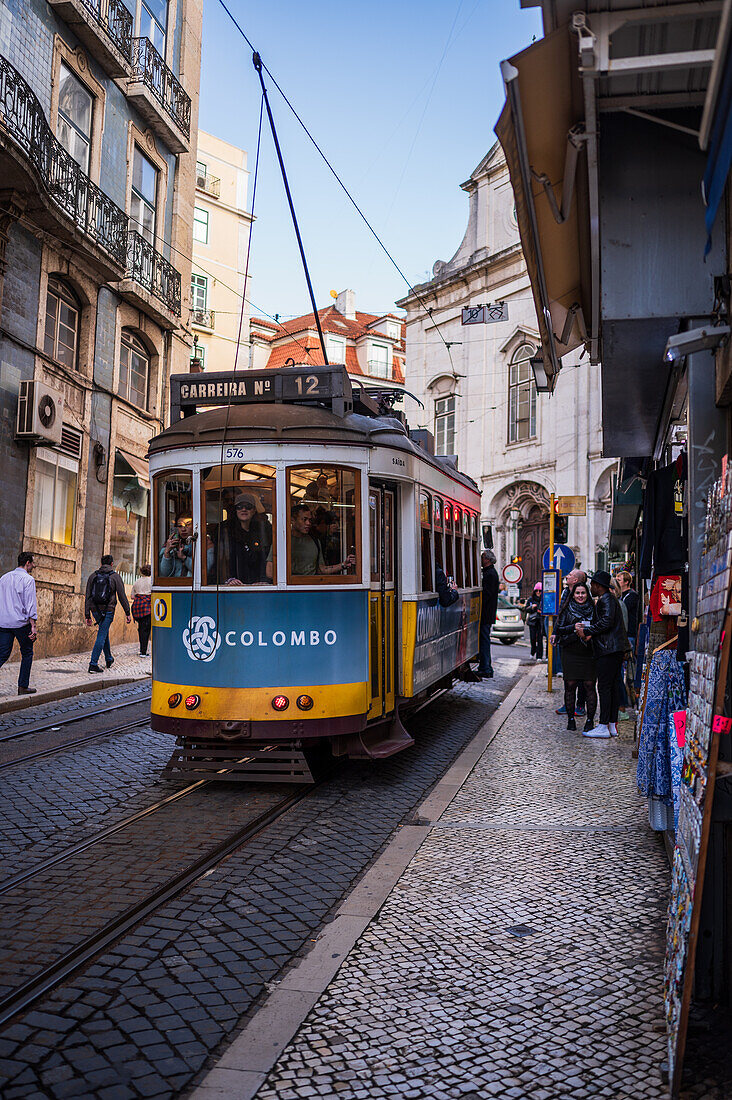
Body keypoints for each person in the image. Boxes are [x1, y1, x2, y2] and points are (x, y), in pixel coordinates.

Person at [575, 570, 629, 739]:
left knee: (605, 687)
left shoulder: (606, 600)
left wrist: (587, 630)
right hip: (614, 649)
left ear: (598, 586)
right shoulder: (610, 599)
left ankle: (604, 725)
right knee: (612, 687)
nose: (591, 587)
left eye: (592, 585)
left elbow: (606, 622)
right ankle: (611, 724)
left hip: (608, 649)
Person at [554, 581, 598, 732]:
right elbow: (559, 629)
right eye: (577, 593)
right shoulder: (567, 609)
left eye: (583, 593)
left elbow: (600, 627)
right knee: (570, 685)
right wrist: (573, 628)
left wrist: (590, 632)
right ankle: (571, 719)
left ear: (588, 594)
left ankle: (590, 720)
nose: (580, 596)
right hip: (570, 651)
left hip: (588, 652)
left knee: (589, 685)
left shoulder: (594, 609)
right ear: (573, 595)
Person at [268, 504, 354, 578]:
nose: (308, 523)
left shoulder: (315, 541)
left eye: (310, 520)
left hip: (310, 588)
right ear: (292, 520)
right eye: (304, 519)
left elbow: (321, 569)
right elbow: (270, 572)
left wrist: (343, 565)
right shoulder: (282, 541)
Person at [85, 555, 132, 673]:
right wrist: (127, 612)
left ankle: (109, 658)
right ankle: (93, 664)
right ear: (112, 564)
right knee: (101, 635)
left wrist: (87, 615)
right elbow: (122, 596)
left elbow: (88, 596)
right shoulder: (115, 577)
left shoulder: (93, 576)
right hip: (108, 610)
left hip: (94, 610)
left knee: (103, 631)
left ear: (101, 563)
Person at [0, 552, 38, 695]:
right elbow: (30, 604)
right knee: (27, 653)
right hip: (21, 624)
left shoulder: (4, 578)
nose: (33, 565)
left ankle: (23, 686)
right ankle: (23, 687)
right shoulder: (28, 580)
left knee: (2, 654)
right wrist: (33, 626)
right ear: (27, 563)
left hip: (4, 623)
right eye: (32, 563)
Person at [215, 493, 272, 585]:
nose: (243, 509)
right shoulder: (225, 530)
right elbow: (221, 558)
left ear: (254, 510)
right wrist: (229, 579)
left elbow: (265, 557)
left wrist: (263, 580)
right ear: (235, 510)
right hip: (234, 585)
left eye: (248, 506)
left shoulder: (262, 530)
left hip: (257, 585)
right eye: (239, 506)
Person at [478, 549, 499, 678]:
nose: (480, 559)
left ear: (487, 559)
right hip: (487, 613)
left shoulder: (490, 574)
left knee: (484, 640)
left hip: (485, 613)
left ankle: (486, 667)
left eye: (482, 557)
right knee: (484, 639)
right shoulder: (490, 572)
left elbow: (486, 594)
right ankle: (485, 666)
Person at [160, 513, 194, 577]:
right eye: (180, 526)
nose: (183, 529)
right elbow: (165, 573)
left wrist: (184, 558)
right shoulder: (173, 546)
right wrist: (167, 552)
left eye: (187, 525)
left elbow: (203, 571)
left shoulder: (200, 545)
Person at [130, 564, 152, 656]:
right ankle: (143, 651)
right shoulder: (152, 581)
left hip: (137, 608)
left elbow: (132, 596)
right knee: (146, 630)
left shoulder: (137, 581)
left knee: (141, 629)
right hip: (147, 608)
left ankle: (142, 649)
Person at [526, 583, 544, 659]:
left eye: (540, 591)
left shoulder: (544, 599)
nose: (538, 592)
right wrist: (532, 607)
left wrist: (541, 611)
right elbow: (526, 609)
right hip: (532, 621)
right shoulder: (531, 599)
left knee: (540, 639)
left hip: (540, 621)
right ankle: (533, 651)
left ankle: (539, 656)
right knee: (533, 638)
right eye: (536, 590)